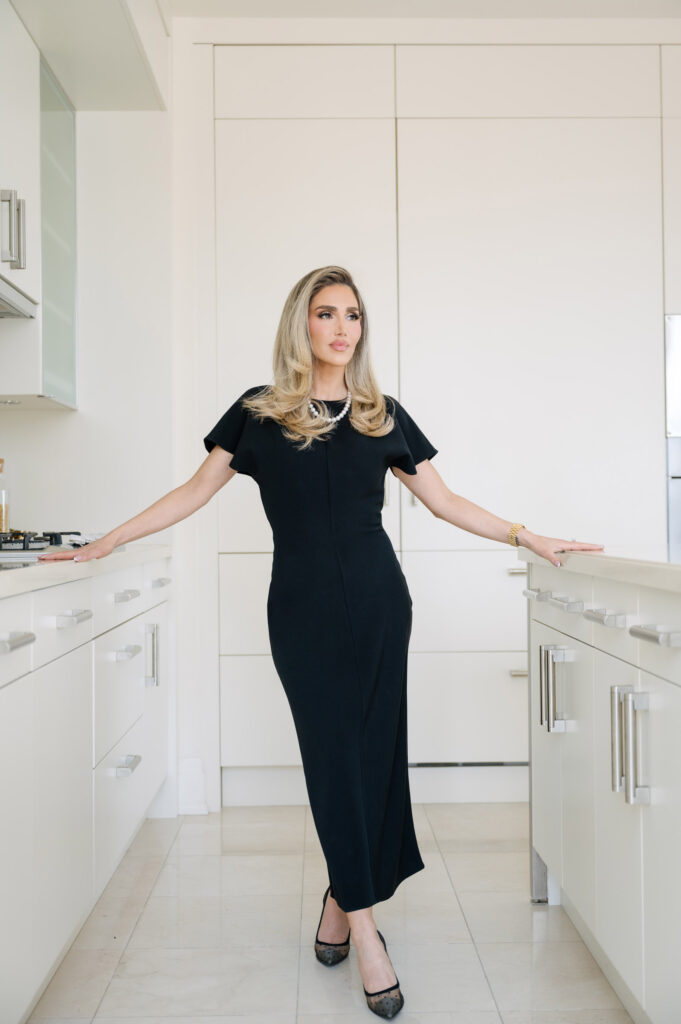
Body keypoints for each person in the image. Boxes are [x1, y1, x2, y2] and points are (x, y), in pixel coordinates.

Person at [38, 265, 604, 1019]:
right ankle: (368, 931)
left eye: (353, 316)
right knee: (333, 759)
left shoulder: (380, 413)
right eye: (326, 313)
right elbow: (192, 492)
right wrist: (105, 541)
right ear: (300, 325)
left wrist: (526, 534)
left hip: (379, 605)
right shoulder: (259, 413)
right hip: (301, 612)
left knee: (372, 760)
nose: (341, 328)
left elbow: (442, 501)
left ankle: (343, 900)